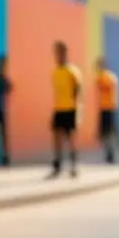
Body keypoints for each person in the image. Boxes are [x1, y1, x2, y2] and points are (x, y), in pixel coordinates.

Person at [49, 41, 82, 178]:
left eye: (61, 51)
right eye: (56, 52)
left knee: (71, 138)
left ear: (65, 53)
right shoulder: (55, 71)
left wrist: (76, 107)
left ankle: (74, 165)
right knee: (56, 137)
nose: (58, 55)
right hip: (58, 109)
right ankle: (57, 165)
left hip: (70, 109)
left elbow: (78, 89)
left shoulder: (72, 71)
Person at [95, 57, 119, 164]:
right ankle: (109, 155)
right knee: (104, 135)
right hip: (104, 108)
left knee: (112, 134)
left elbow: (104, 88)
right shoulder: (102, 77)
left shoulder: (108, 77)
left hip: (110, 108)